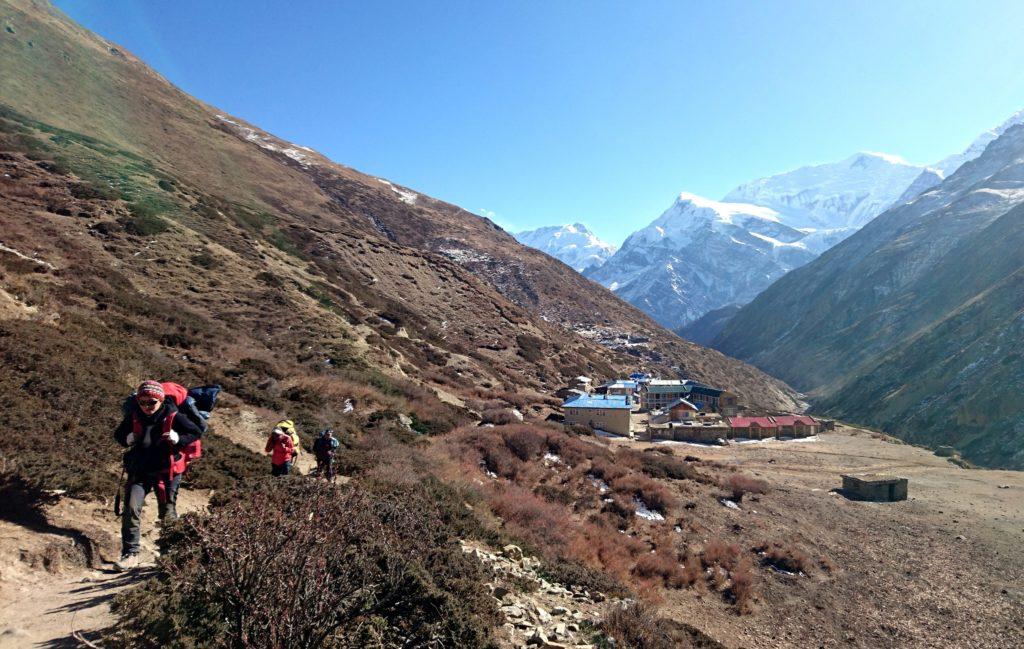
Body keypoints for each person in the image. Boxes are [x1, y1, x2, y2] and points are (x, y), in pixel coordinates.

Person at [113, 380, 203, 571]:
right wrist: (126, 438)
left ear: (161, 400)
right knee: (130, 507)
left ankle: (169, 554)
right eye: (142, 402)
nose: (146, 407)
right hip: (141, 469)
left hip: (167, 472)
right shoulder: (134, 415)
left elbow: (195, 431)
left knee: (167, 512)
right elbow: (119, 434)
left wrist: (179, 439)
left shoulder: (174, 416)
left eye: (151, 402)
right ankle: (130, 553)